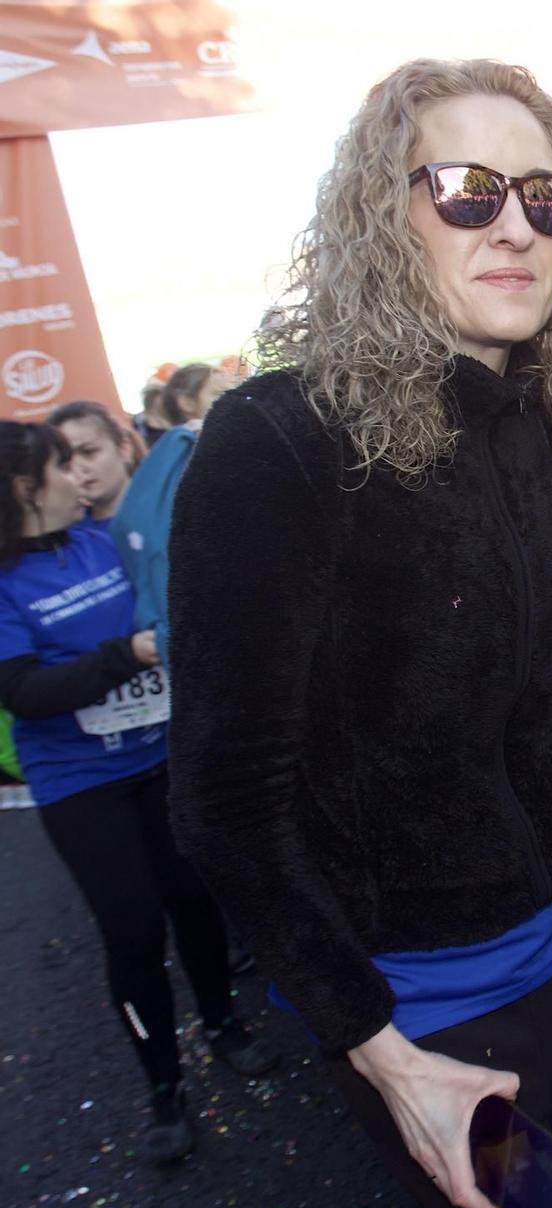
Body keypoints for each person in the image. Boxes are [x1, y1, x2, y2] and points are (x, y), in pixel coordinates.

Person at [166, 58, 552, 1208]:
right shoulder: (277, 444)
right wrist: (381, 1056)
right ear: (385, 216)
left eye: (547, 198)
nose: (514, 223)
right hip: (429, 1024)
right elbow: (227, 805)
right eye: (465, 188)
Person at [0, 421, 276, 1165]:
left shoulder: (108, 540)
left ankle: (222, 1023)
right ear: (25, 489)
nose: (76, 477)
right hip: (82, 783)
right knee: (132, 931)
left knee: (194, 897)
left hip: (161, 755)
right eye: (62, 466)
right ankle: (164, 1087)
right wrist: (126, 653)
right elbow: (23, 690)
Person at [108, 362, 237, 666]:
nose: (232, 400)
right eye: (219, 394)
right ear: (186, 402)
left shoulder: (175, 454)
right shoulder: (185, 451)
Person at [49, 401, 144, 522]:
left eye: (88, 452)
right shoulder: (68, 536)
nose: (78, 468)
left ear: (124, 448)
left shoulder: (169, 509)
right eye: (66, 462)